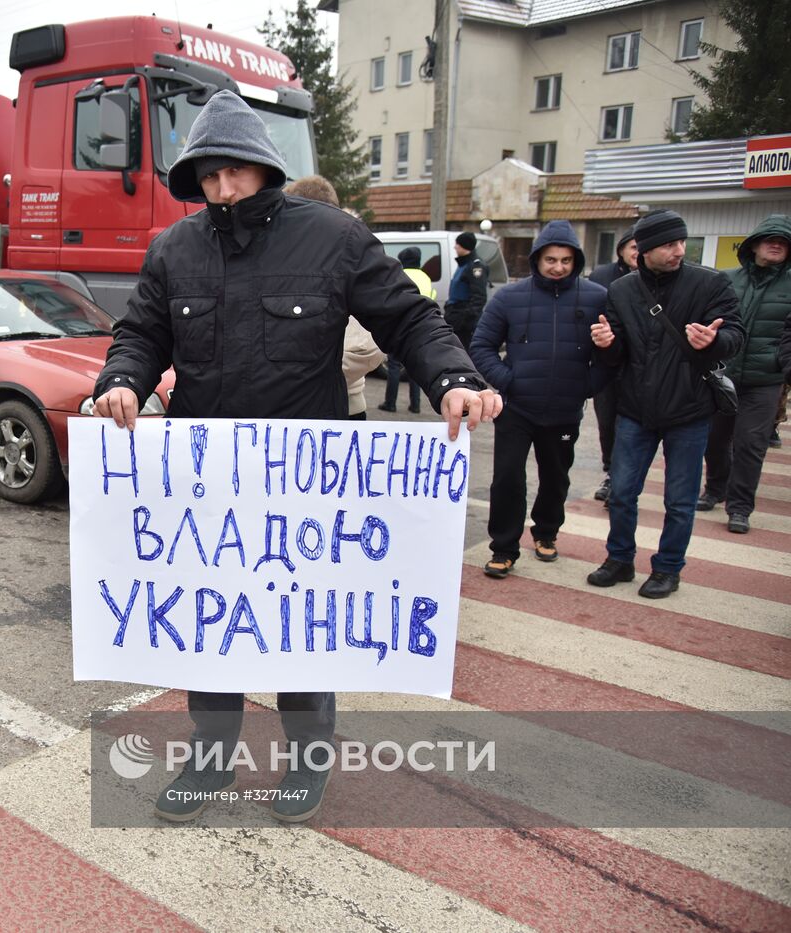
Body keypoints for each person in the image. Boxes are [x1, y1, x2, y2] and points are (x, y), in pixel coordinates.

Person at [92, 90, 501, 823]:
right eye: (210, 176)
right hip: (208, 481)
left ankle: (308, 757)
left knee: (302, 625)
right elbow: (140, 331)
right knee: (209, 623)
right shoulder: (173, 249)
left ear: (264, 168)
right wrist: (122, 378)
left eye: (237, 173)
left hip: (305, 484)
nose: (224, 189)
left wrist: (453, 377)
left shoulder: (334, 238)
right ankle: (210, 757)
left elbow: (407, 317)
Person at [587, 209, 743, 599]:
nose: (678, 250)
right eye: (668, 245)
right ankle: (619, 559)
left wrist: (715, 341)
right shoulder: (622, 290)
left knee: (679, 500)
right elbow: (617, 353)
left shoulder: (709, 284)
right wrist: (607, 344)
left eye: (680, 243)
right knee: (621, 491)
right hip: (635, 410)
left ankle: (668, 569)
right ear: (645, 251)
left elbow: (736, 334)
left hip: (689, 411)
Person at [469, 220, 609, 578]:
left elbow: (613, 352)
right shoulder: (509, 298)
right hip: (516, 408)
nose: (558, 267)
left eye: (565, 260)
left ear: (575, 261)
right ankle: (503, 548)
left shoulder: (597, 297)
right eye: (550, 259)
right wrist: (507, 381)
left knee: (556, 478)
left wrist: (587, 385)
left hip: (565, 409)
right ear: (537, 260)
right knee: (508, 480)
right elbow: (481, 345)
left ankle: (546, 533)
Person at [696, 215, 791, 533]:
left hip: (766, 379)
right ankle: (715, 489)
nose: (776, 245)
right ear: (753, 246)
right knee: (714, 439)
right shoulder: (726, 279)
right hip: (724, 375)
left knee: (751, 443)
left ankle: (739, 508)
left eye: (783, 242)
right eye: (770, 240)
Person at [282, 175, 386, 420]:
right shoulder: (289, 257)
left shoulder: (351, 258)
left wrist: (297, 379)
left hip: (341, 408)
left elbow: (368, 349)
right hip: (290, 411)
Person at [586, 227, 638, 503]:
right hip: (605, 366)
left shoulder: (656, 281)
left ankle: (621, 481)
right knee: (607, 424)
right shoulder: (601, 277)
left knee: (629, 427)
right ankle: (611, 472)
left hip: (639, 368)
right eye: (633, 247)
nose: (637, 253)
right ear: (621, 250)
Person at [382, 247, 433, 413]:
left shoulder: (399, 276)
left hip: (398, 328)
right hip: (420, 329)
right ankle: (415, 405)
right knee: (414, 368)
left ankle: (390, 403)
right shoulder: (425, 277)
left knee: (394, 367)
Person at [443, 231, 488, 349]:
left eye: (457, 244)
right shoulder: (463, 264)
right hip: (455, 315)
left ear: (464, 246)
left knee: (463, 351)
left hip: (463, 320)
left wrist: (466, 319)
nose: (455, 247)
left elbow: (479, 296)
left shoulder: (475, 266)